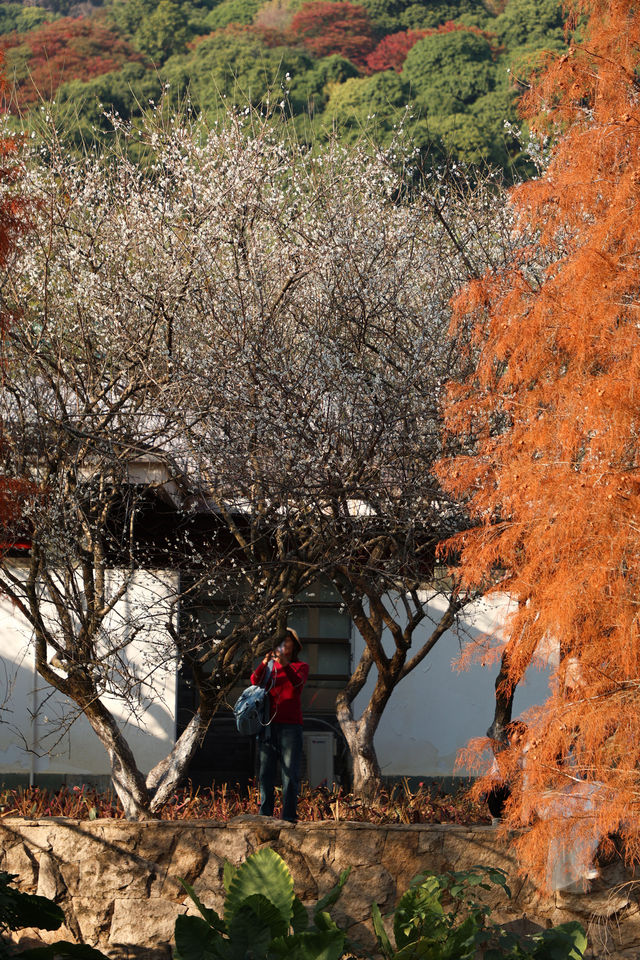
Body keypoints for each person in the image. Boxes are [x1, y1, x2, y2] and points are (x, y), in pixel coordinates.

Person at [250, 626, 309, 823]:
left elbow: (298, 685)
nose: (283, 645)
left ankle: (289, 816)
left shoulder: (300, 666)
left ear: (294, 645)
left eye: (288, 641)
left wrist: (284, 665)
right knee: (265, 771)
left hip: (291, 726)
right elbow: (254, 681)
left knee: (289, 773)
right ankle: (265, 814)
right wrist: (265, 663)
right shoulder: (270, 667)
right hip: (268, 725)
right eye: (280, 642)